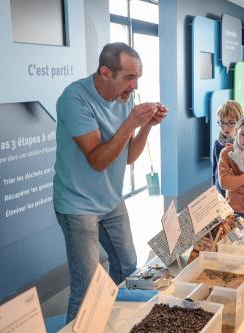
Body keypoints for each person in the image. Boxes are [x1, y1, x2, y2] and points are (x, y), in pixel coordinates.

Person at [53, 42, 168, 323]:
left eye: (138, 76)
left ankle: (116, 324)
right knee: (87, 284)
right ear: (106, 72)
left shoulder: (124, 98)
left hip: (111, 200)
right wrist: (131, 122)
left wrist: (148, 126)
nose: (134, 85)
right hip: (78, 205)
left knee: (129, 268)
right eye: (129, 78)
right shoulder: (74, 99)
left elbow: (127, 156)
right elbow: (97, 160)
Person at [212, 101, 244, 197]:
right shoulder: (217, 144)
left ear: (240, 122)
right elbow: (215, 171)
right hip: (221, 192)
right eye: (222, 123)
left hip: (238, 193)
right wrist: (214, 193)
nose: (226, 127)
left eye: (231, 123)